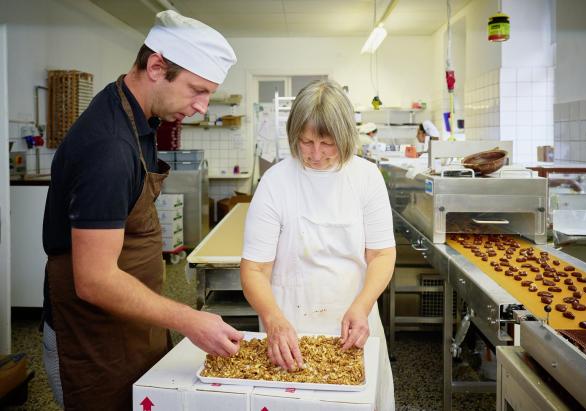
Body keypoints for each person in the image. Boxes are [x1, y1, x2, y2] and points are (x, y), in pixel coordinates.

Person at [41, 10, 243, 410]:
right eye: (197, 90)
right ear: (156, 66)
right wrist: (188, 319)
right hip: (92, 338)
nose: (203, 106)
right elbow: (95, 280)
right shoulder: (110, 147)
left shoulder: (137, 118)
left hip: (127, 325)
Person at [240, 79, 396, 411]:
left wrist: (363, 305)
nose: (315, 154)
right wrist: (273, 319)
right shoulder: (276, 183)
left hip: (354, 322)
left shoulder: (366, 178)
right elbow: (254, 268)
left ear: (345, 138)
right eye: (306, 141)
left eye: (326, 143)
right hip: (289, 324)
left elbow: (381, 253)